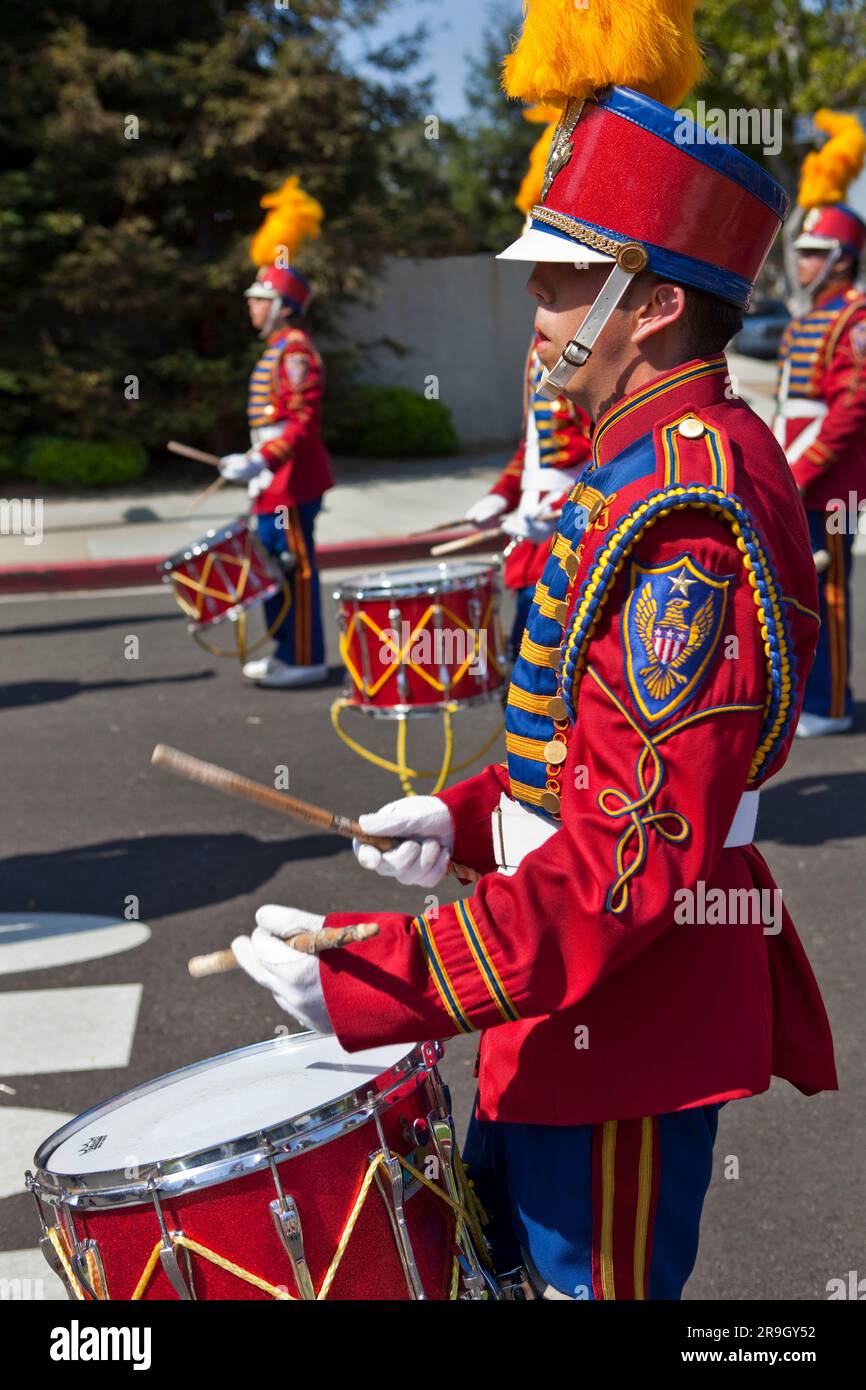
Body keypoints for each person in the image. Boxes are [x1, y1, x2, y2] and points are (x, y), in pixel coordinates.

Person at [232, 3, 837, 1300]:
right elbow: (593, 761)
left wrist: (372, 980)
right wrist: (457, 821)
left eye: (565, 280)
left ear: (655, 302)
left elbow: (630, 871)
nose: (538, 307)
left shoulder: (688, 519)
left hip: (620, 1022)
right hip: (554, 994)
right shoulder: (648, 473)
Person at [465, 115, 593, 658]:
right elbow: (536, 445)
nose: (533, 283)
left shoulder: (584, 346)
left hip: (568, 524)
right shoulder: (535, 346)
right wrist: (501, 494)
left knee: (549, 669)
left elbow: (610, 452)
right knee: (520, 660)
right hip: (535, 515)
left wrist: (562, 507)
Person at [219, 178, 334, 688]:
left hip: (290, 482)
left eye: (259, 299)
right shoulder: (278, 350)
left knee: (296, 573)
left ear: (283, 306)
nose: (251, 306)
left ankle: (305, 657)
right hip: (273, 482)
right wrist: (251, 460)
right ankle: (287, 652)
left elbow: (300, 422)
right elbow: (272, 421)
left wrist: (261, 461)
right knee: (275, 573)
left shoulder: (294, 351)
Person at [773, 111, 866, 735]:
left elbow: (852, 408)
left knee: (829, 591)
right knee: (797, 593)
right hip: (796, 475)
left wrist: (801, 473)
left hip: (832, 486)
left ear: (840, 259)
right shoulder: (807, 316)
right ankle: (807, 697)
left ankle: (831, 705)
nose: (801, 263)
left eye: (812, 254)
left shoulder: (854, 317)